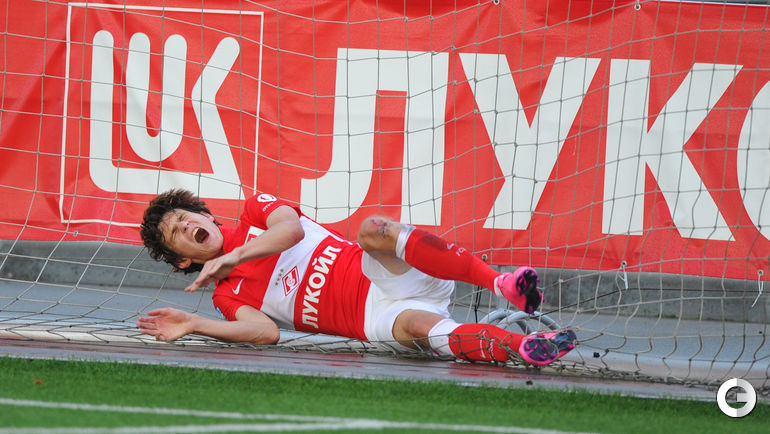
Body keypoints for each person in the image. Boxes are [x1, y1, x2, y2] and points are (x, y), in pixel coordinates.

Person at [136, 189, 576, 365]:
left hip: (386, 275)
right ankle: (527, 347)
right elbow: (264, 333)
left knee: (373, 230)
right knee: (420, 327)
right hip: (373, 321)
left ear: (206, 215)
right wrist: (194, 323)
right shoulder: (227, 296)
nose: (186, 226)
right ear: (183, 261)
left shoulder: (256, 211)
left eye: (186, 216)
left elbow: (290, 230)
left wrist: (236, 256)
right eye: (175, 233)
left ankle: (500, 283)